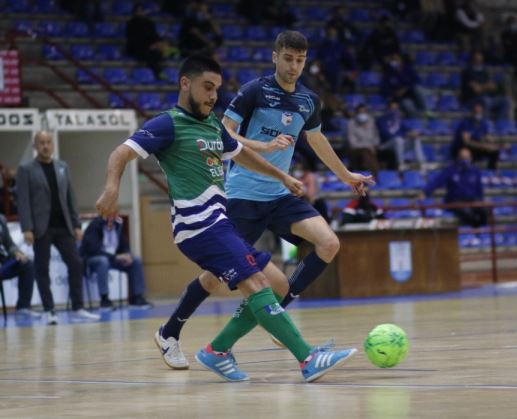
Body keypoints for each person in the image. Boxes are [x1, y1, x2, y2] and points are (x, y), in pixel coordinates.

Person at [96, 53, 358, 382]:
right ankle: (307, 359)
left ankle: (216, 350)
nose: (213, 96)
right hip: (197, 227)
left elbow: (243, 155)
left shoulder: (211, 125)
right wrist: (110, 189)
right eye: (207, 87)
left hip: (220, 223)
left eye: (217, 89)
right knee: (257, 283)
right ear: (185, 83)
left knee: (278, 285)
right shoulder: (168, 123)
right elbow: (121, 152)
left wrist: (282, 177)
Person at [153, 32, 372, 369]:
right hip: (242, 195)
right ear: (275, 57)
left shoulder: (308, 100)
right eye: (288, 58)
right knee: (213, 279)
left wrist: (347, 176)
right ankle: (169, 331)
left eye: (300, 60)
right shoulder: (254, 91)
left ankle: (278, 311)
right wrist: (265, 148)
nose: (294, 66)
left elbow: (317, 140)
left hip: (281, 195)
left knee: (328, 243)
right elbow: (225, 134)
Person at [16, 131, 100, 325]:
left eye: (48, 142)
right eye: (41, 143)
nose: (46, 146)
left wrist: (77, 224)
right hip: (40, 227)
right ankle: (49, 309)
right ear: (35, 146)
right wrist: (26, 228)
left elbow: (70, 198)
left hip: (64, 226)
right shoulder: (25, 169)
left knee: (76, 263)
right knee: (42, 268)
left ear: (52, 145)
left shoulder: (63, 167)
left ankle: (78, 308)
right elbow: (23, 201)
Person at [80, 215, 153, 310]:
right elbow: (93, 249)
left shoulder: (118, 226)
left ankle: (136, 298)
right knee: (103, 261)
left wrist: (127, 255)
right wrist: (115, 256)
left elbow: (124, 245)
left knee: (136, 260)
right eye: (109, 213)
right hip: (93, 260)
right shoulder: (94, 225)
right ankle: (104, 299)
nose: (112, 216)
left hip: (113, 259)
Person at [420, 147, 487, 228]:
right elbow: (437, 181)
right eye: (463, 158)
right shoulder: (451, 170)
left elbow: (479, 188)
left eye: (467, 158)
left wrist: (481, 200)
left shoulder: (475, 171)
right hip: (455, 201)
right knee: (467, 212)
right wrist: (425, 192)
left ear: (471, 158)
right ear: (458, 158)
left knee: (484, 211)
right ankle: (474, 231)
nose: (465, 160)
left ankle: (482, 233)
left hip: (472, 200)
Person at [0, 214, 40, 318]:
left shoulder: (1, 219)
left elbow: (9, 244)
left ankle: (23, 307)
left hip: (3, 263)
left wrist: (17, 253)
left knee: (26, 264)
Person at [451, 103, 502, 171]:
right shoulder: (466, 123)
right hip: (462, 147)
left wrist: (498, 144)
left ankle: (491, 171)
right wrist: (483, 146)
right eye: (476, 112)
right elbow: (466, 141)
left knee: (494, 151)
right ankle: (466, 171)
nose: (478, 114)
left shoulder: (483, 123)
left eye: (480, 112)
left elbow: (488, 137)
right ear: (472, 112)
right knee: (468, 151)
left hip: (476, 147)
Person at [461, 52, 511, 120]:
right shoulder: (467, 72)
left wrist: (482, 86)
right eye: (477, 59)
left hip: (487, 97)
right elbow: (477, 90)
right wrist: (486, 86)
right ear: (473, 60)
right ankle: (486, 123)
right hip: (472, 100)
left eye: (480, 59)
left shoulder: (485, 72)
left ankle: (500, 124)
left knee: (506, 100)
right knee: (486, 101)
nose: (479, 61)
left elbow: (492, 87)